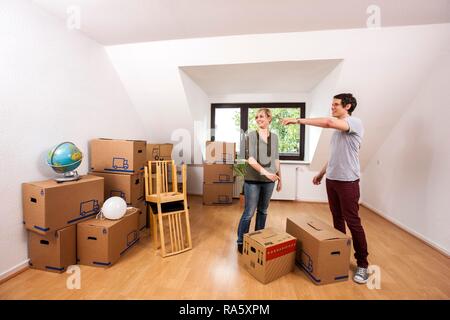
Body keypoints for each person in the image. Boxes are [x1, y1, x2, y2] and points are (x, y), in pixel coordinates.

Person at [282, 93, 370, 284]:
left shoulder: (355, 123)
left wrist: (297, 120)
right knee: (337, 220)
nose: (332, 107)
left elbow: (329, 122)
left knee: (353, 222)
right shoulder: (339, 132)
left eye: (336, 105)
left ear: (347, 107)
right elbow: (334, 156)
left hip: (348, 182)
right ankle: (340, 253)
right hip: (332, 180)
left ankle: (363, 264)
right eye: (331, 104)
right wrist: (322, 173)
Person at [236, 108, 281, 254]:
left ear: (269, 118)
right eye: (256, 117)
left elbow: (276, 159)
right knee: (249, 212)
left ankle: (258, 239)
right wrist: (267, 174)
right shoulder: (251, 136)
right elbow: (250, 159)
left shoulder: (274, 137)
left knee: (263, 211)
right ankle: (241, 241)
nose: (258, 119)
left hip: (270, 181)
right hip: (253, 180)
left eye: (261, 116)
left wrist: (280, 178)